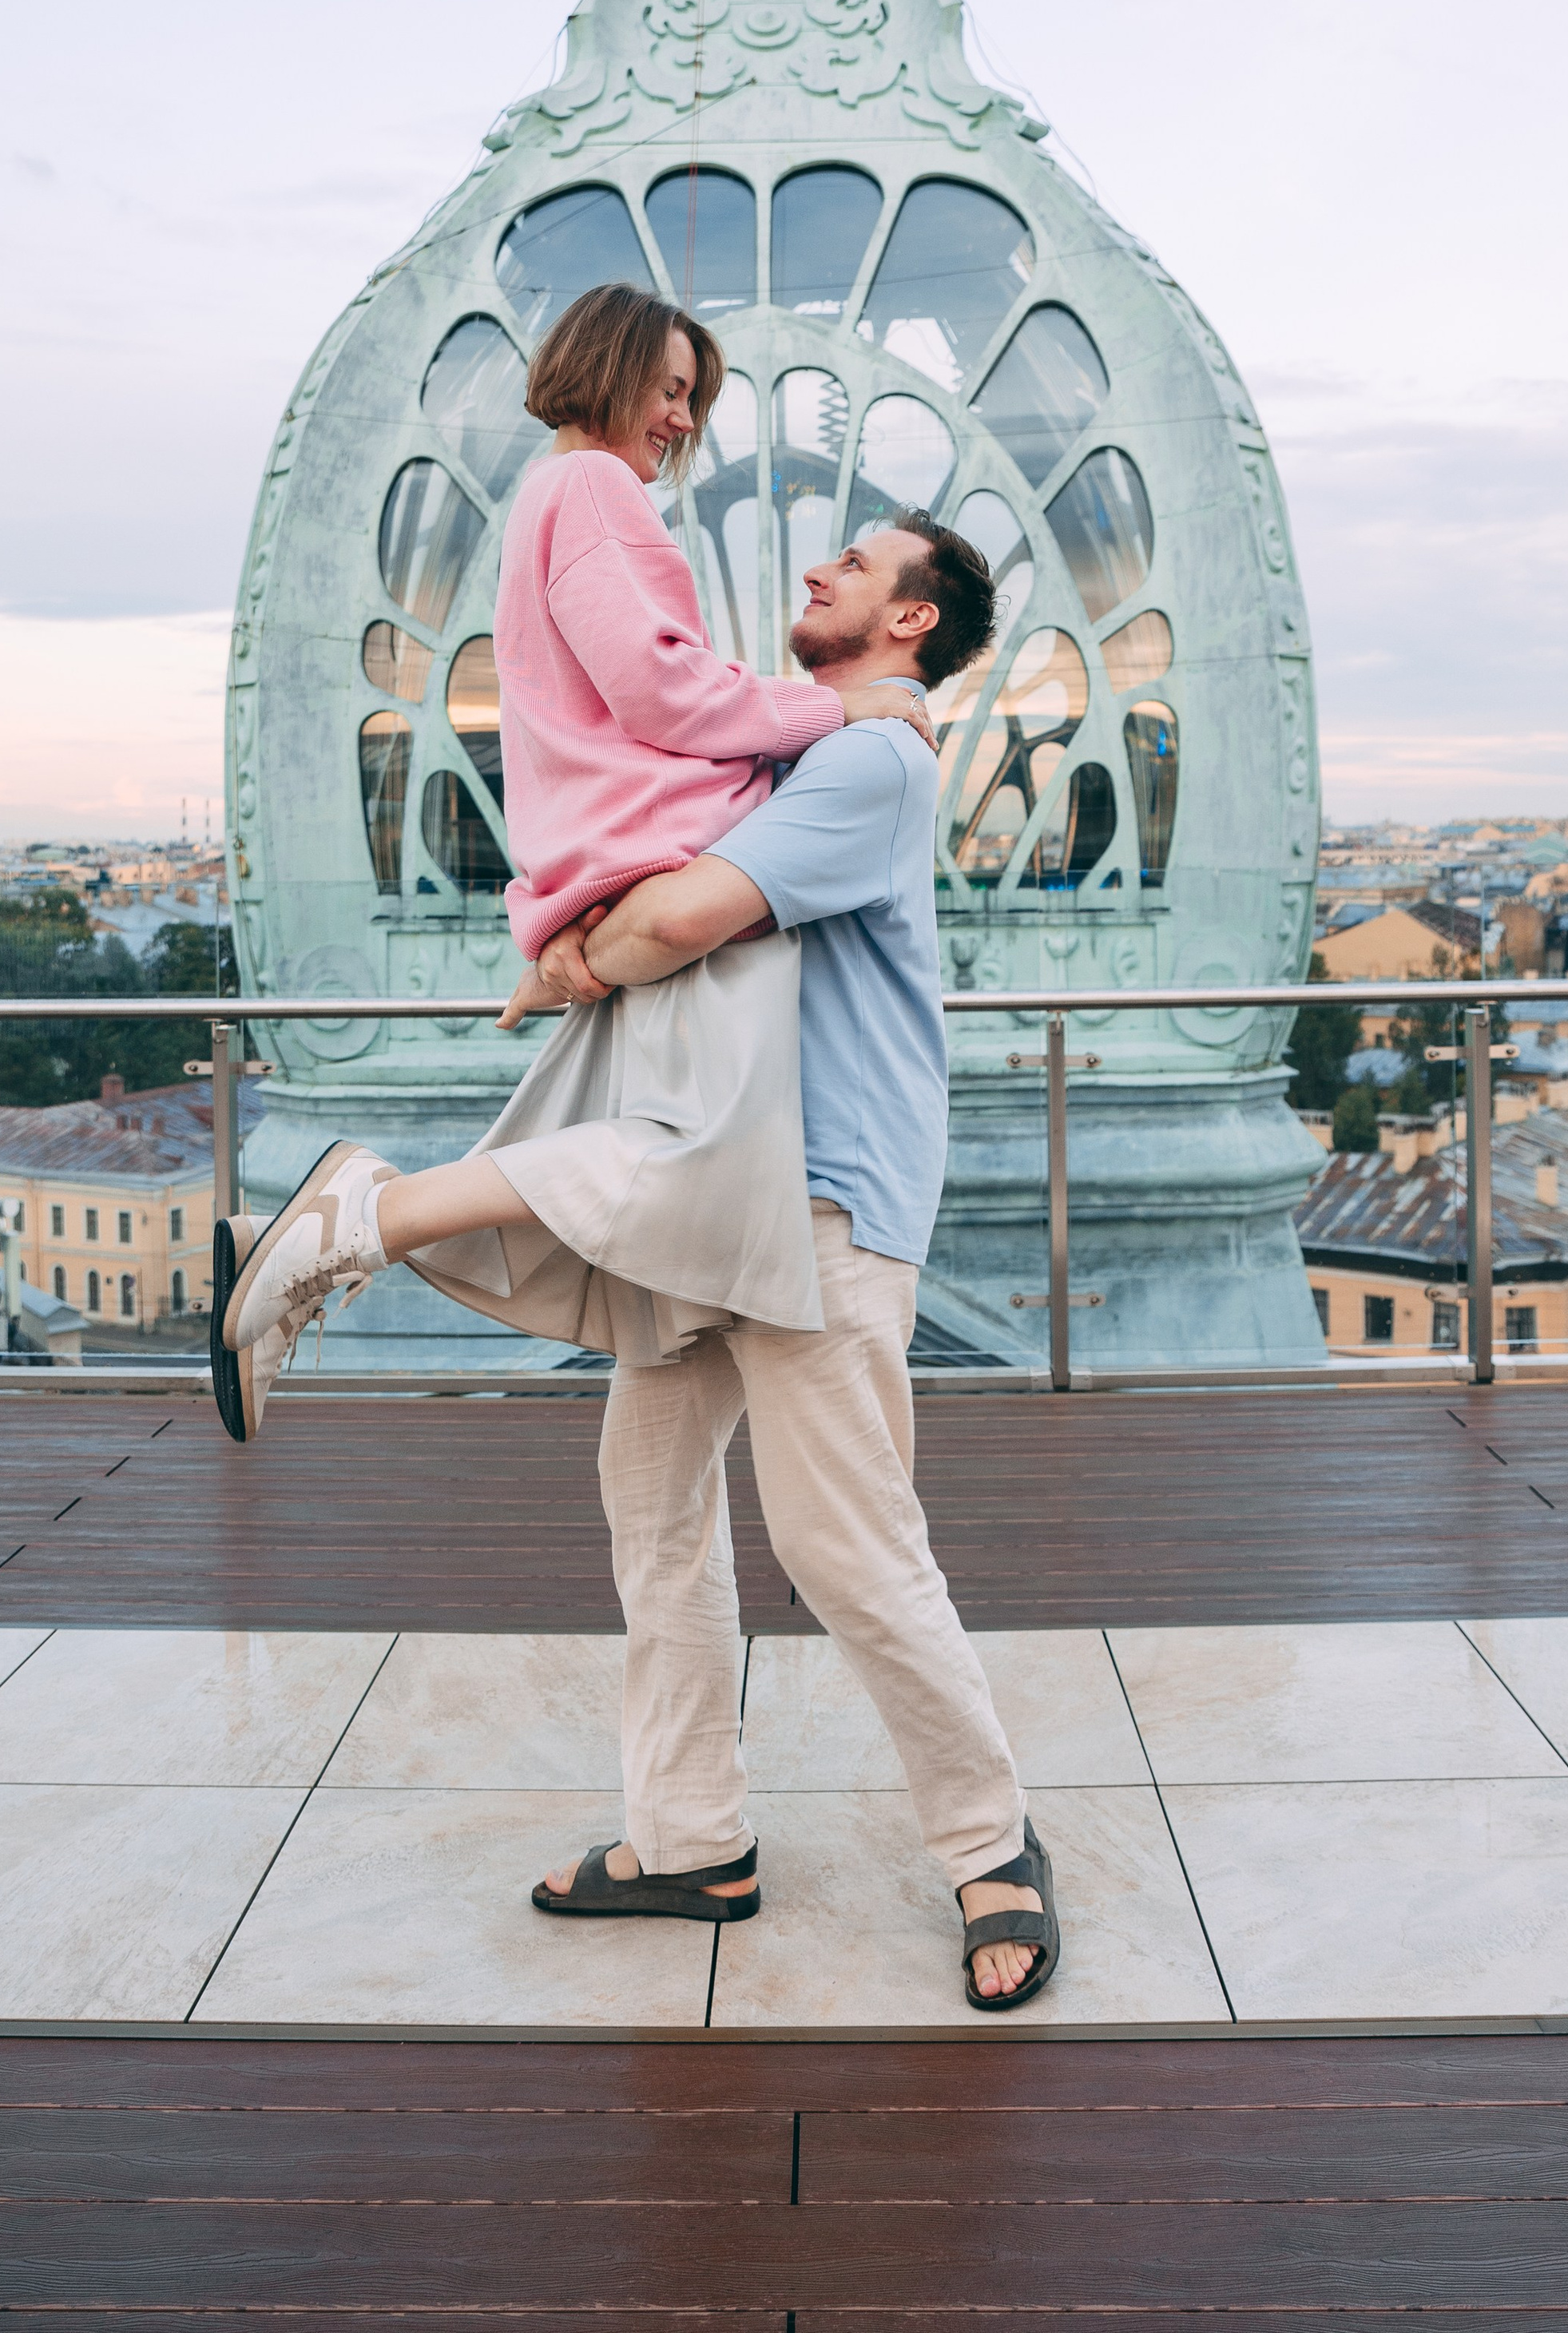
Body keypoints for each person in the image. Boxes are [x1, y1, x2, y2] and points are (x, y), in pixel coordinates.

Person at [211, 280, 931, 1436]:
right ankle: (356, 1222)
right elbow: (660, 685)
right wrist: (840, 715)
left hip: (608, 856)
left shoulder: (548, 495)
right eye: (673, 389)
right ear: (616, 365)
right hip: (665, 848)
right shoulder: (594, 486)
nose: (684, 423)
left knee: (631, 1174)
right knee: (685, 1163)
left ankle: (307, 1261)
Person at [525, 510, 1059, 2013]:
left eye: (854, 564)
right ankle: (691, 1838)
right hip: (719, 1179)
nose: (816, 569)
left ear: (910, 623)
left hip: (817, 1195)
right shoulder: (809, 753)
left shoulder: (877, 760)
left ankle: (991, 1846)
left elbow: (689, 912)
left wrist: (574, 951)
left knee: (848, 1546)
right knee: (657, 1511)